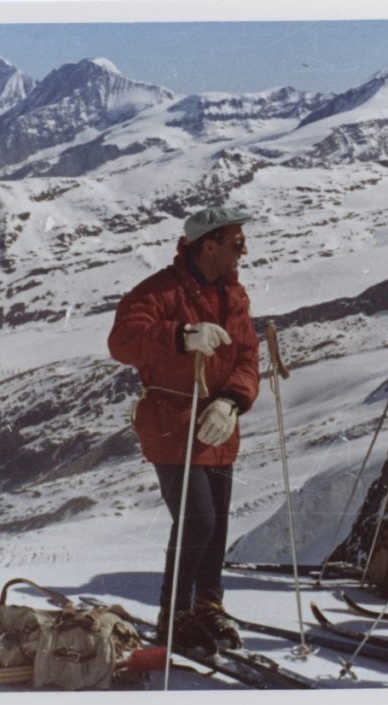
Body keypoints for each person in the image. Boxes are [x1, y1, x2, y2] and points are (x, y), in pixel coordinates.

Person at [108, 206, 260, 656]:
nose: (243, 250)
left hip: (218, 425)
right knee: (199, 520)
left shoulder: (234, 295)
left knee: (213, 525)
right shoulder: (161, 291)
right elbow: (122, 341)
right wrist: (181, 336)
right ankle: (174, 616)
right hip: (173, 424)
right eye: (236, 242)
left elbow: (248, 355)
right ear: (208, 245)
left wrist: (233, 401)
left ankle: (208, 604)